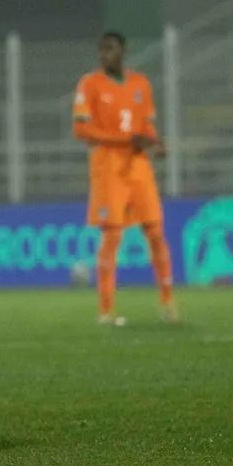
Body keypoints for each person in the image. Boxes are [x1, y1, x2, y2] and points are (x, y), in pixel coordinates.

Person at [73, 31, 180, 325]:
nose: (104, 55)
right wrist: (125, 139)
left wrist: (155, 143)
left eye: (110, 49)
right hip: (108, 167)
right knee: (113, 236)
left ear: (123, 51)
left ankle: (168, 303)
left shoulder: (140, 84)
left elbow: (145, 126)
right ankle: (106, 310)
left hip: (138, 166)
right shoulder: (90, 84)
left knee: (155, 232)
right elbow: (81, 129)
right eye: (101, 50)